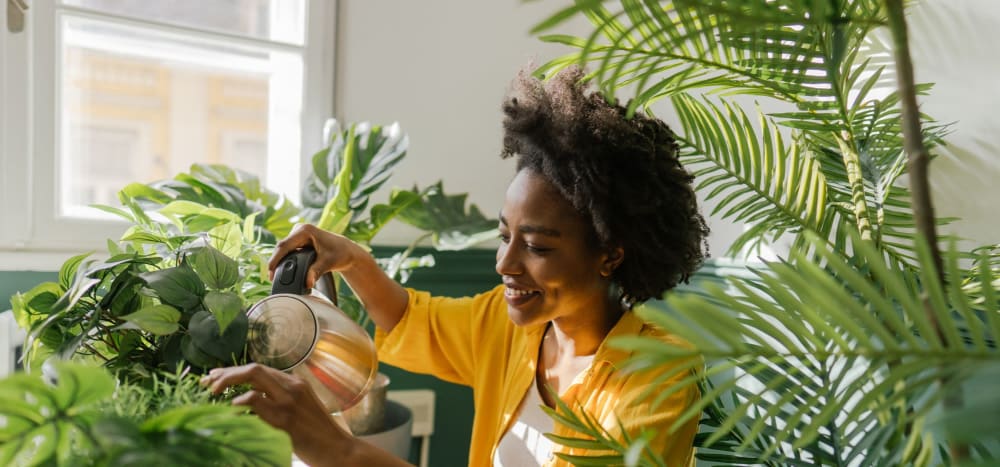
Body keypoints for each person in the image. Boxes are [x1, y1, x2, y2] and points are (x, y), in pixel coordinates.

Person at [201, 65, 709, 467]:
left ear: (610, 254)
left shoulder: (658, 376)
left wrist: (341, 452)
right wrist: (353, 258)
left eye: (536, 246)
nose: (505, 264)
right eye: (504, 236)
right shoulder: (511, 329)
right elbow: (411, 319)